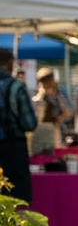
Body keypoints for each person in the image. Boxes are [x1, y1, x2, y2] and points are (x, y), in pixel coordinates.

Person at [0, 49, 37, 201]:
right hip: (13, 150)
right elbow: (29, 123)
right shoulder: (16, 87)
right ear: (10, 63)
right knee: (17, 199)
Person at [30, 68, 71, 157]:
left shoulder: (58, 96)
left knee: (53, 155)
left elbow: (68, 113)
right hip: (39, 130)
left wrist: (59, 118)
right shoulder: (37, 97)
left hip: (53, 129)